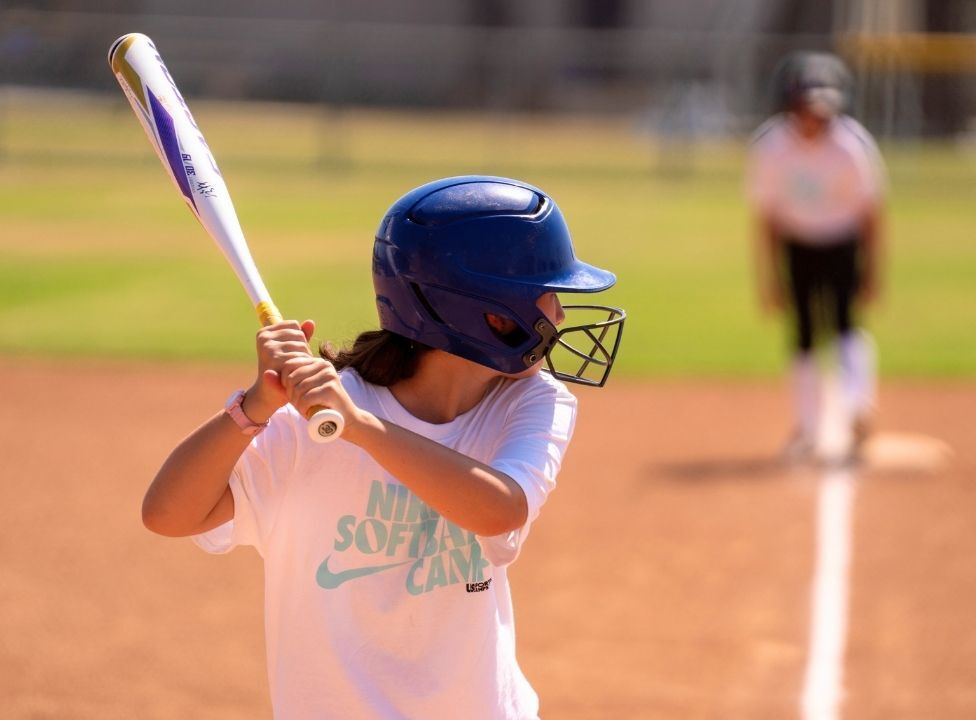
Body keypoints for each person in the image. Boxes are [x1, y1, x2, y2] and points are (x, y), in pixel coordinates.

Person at [141, 175, 625, 719]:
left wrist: (360, 427)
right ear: (488, 314)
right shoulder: (311, 421)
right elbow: (167, 514)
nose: (560, 315)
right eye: (549, 295)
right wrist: (253, 406)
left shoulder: (533, 402)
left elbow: (499, 509)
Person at [746, 51, 887, 464]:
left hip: (843, 244)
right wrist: (769, 277)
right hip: (799, 246)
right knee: (804, 335)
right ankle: (807, 428)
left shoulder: (851, 145)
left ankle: (859, 408)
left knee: (846, 327)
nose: (814, 119)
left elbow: (871, 213)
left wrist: (872, 270)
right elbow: (766, 217)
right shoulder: (772, 147)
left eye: (822, 110)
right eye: (806, 109)